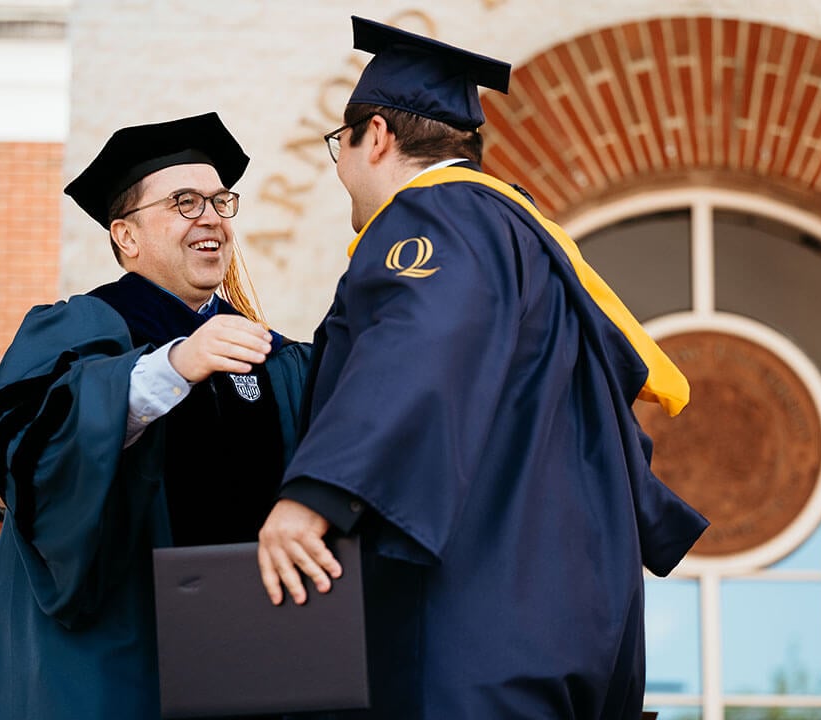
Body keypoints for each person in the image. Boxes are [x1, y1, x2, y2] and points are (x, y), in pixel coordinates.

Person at [256, 17, 710, 719]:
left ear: (374, 135)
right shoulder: (524, 246)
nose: (339, 169)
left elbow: (420, 340)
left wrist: (316, 493)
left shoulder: (433, 220)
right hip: (570, 625)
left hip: (476, 626)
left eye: (337, 146)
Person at [0, 112, 311, 719]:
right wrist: (170, 366)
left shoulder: (275, 357)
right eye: (183, 202)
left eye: (220, 202)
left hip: (252, 660)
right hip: (120, 664)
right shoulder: (76, 331)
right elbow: (35, 452)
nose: (210, 218)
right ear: (126, 237)